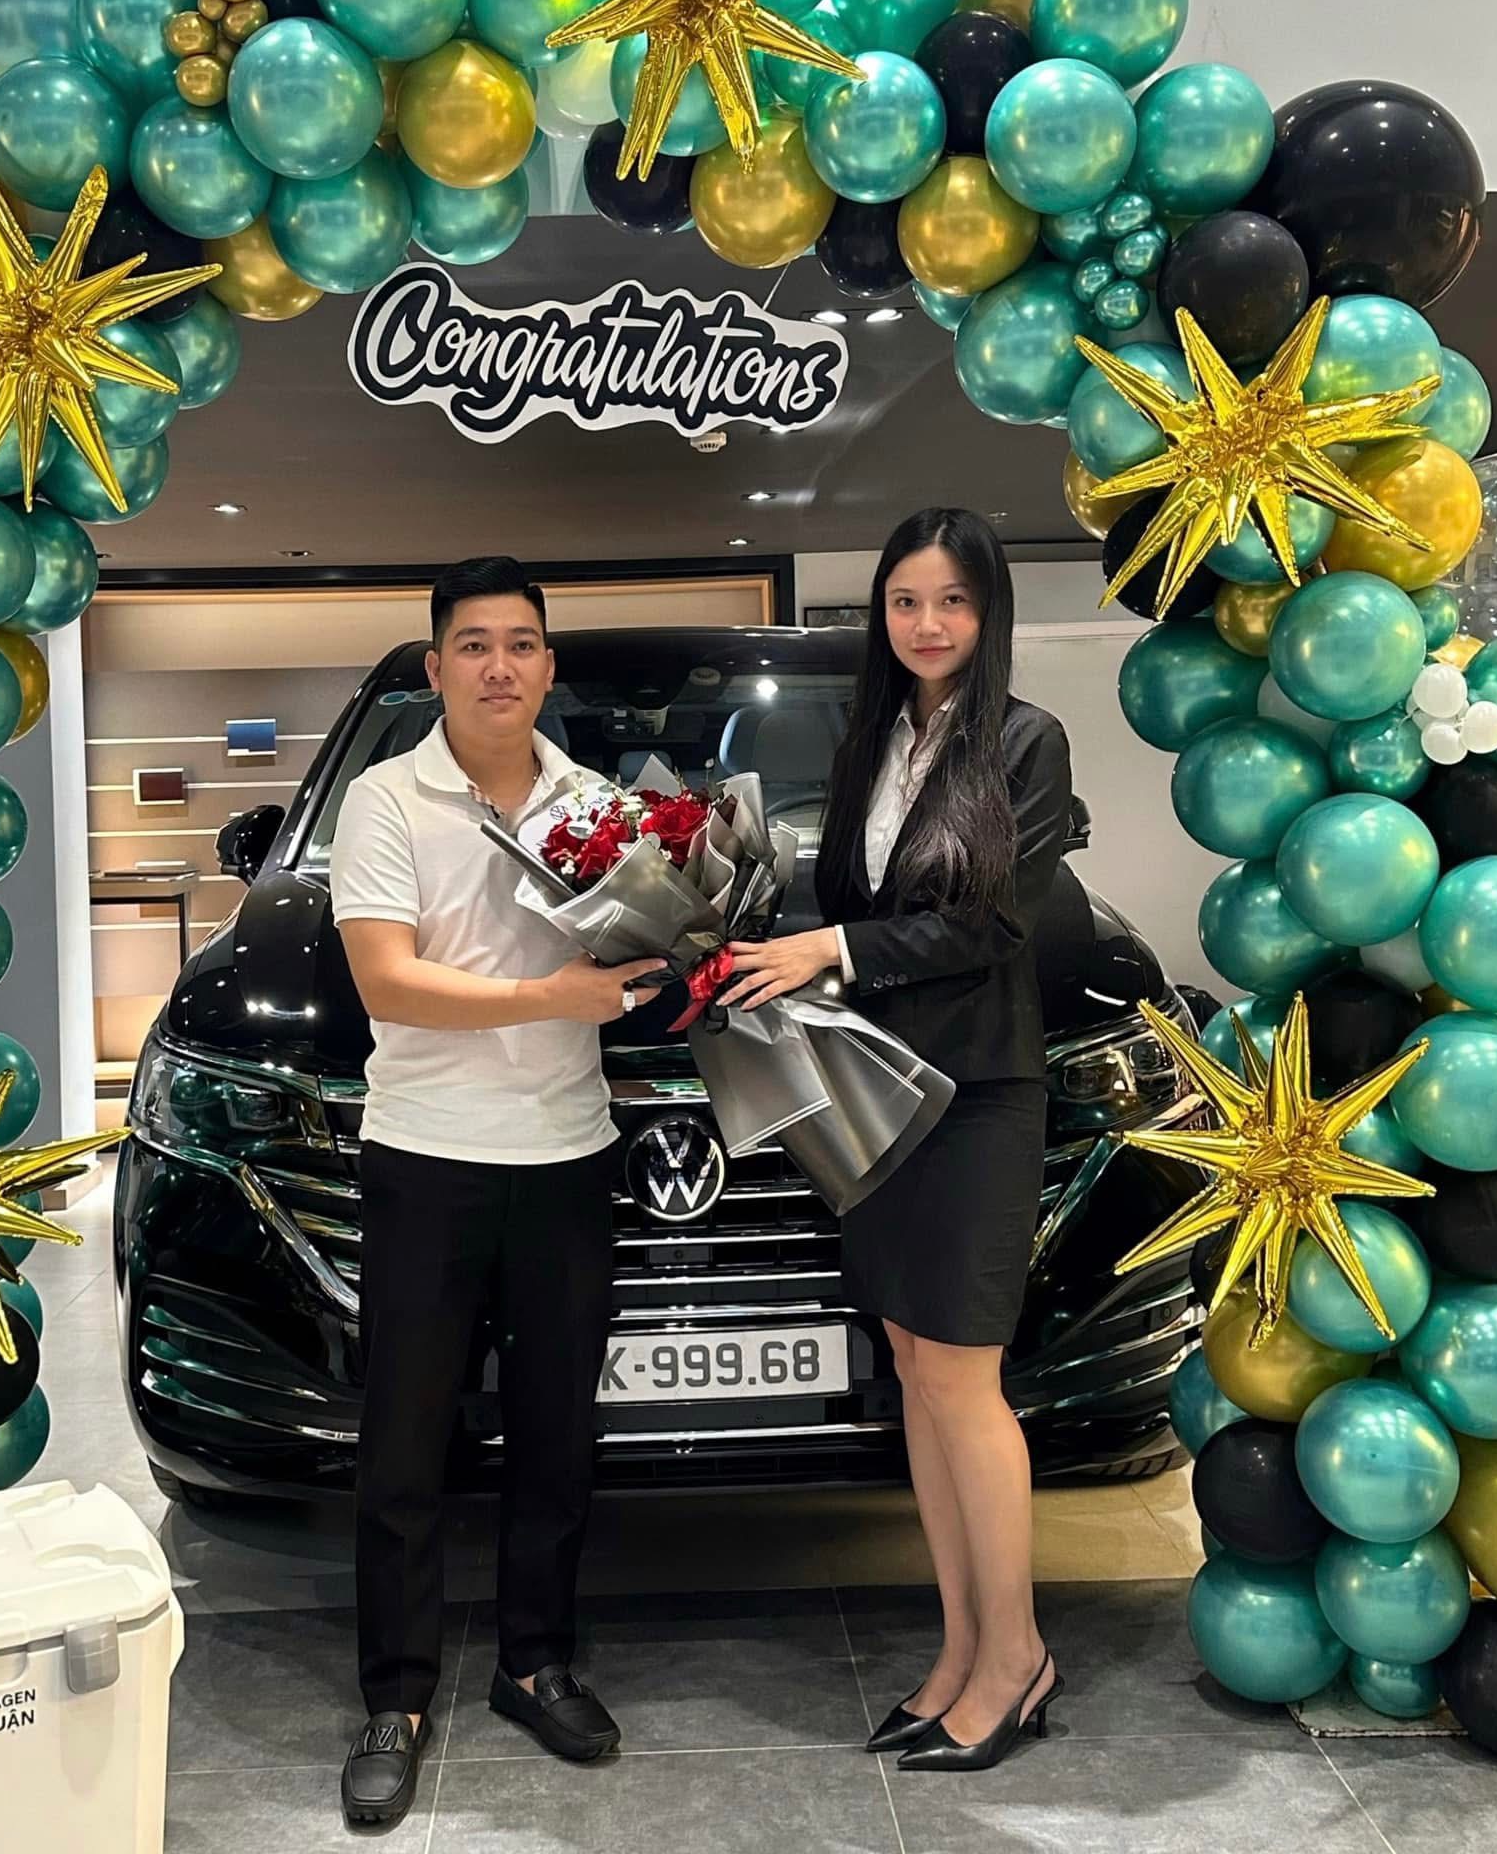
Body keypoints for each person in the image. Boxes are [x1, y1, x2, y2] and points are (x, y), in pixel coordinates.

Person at [727, 507, 1072, 1773]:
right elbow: (847, 898)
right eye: (907, 601)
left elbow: (992, 924)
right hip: (875, 1091)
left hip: (976, 1093)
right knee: (917, 1368)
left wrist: (830, 947)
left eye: (953, 601)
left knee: (965, 1379)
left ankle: (1018, 1655)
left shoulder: (1027, 742)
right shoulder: (868, 741)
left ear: (989, 612)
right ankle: (960, 1642)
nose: (928, 624)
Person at [329, 555, 662, 1827]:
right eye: (474, 644)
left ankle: (536, 1661)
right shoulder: (385, 798)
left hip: (567, 1154)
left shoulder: (599, 803)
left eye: (521, 642)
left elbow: (637, 958)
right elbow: (387, 979)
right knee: (404, 1442)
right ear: (436, 668)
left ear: (548, 665)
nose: (500, 665)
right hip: (426, 1155)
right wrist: (547, 995)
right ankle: (395, 1694)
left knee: (556, 1435)